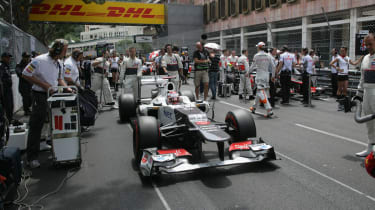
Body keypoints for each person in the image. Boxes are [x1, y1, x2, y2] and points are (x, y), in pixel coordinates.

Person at [22, 39, 71, 168]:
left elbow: (60, 78)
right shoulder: (39, 60)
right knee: (36, 124)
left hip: (53, 94)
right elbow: (26, 74)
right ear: (58, 49)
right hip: (40, 95)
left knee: (50, 121)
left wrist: (67, 87)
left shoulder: (59, 63)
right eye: (65, 49)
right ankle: (31, 157)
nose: (66, 52)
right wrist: (44, 85)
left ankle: (45, 143)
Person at [356, 33, 375, 157]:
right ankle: (370, 147)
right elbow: (362, 78)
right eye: (366, 44)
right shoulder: (365, 58)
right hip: (367, 93)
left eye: (370, 44)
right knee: (369, 121)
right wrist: (358, 94)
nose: (368, 46)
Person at [249, 42, 275, 117]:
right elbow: (273, 67)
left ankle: (269, 109)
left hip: (260, 76)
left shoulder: (256, 56)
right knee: (259, 92)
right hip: (266, 76)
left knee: (261, 92)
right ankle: (254, 107)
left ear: (259, 47)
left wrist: (248, 72)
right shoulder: (268, 56)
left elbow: (252, 66)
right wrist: (273, 76)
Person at [0, 52, 14, 122]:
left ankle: (10, 118)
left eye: (9, 58)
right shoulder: (1, 66)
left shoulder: (7, 66)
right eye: (7, 57)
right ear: (3, 58)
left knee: (11, 105)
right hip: (4, 90)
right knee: (7, 105)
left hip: (9, 89)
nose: (9, 59)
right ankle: (8, 120)